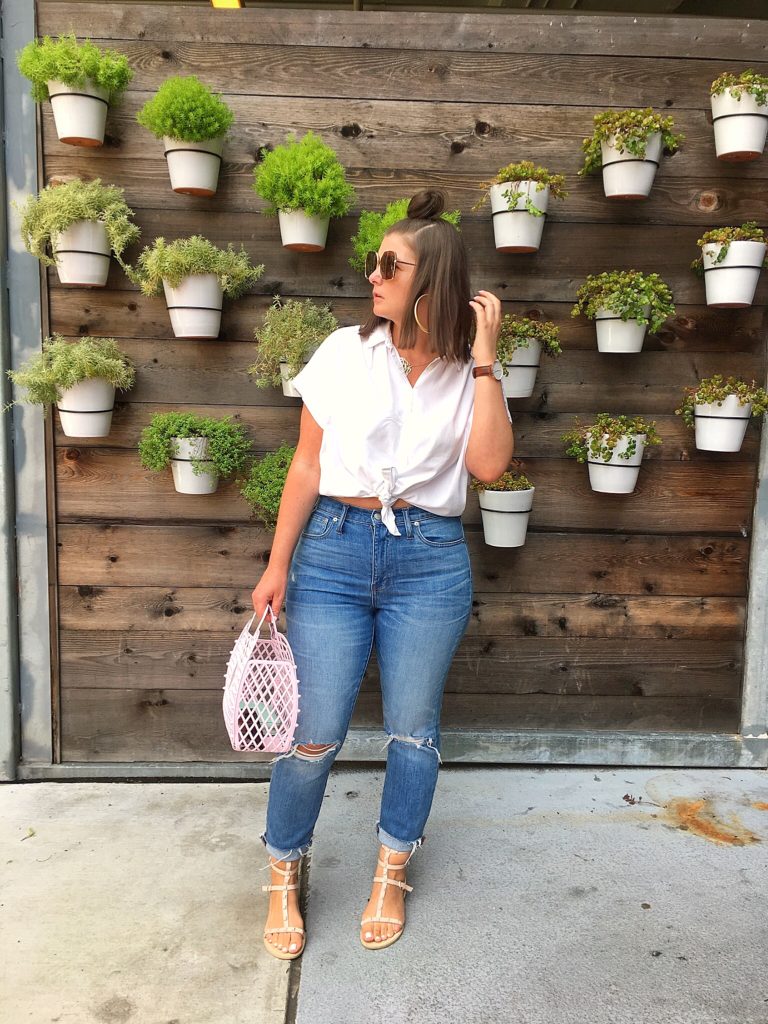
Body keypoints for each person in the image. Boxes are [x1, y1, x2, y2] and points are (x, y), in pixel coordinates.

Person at [251, 189, 514, 959]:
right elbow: (306, 464)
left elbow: (491, 467)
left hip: (428, 558)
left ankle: (392, 871)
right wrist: (276, 567)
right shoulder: (343, 352)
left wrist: (489, 358)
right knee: (314, 735)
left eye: (389, 266)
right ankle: (283, 869)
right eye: (373, 262)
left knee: (413, 734)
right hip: (331, 551)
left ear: (429, 279)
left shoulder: (471, 371)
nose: (373, 275)